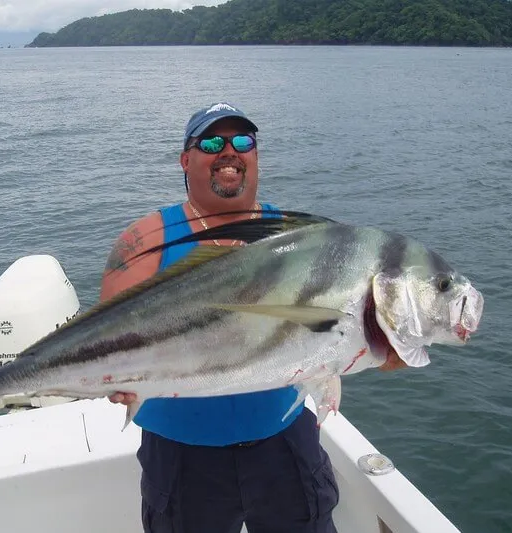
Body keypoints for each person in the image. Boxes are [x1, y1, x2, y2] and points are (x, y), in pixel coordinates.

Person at [99, 103, 339, 533]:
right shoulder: (143, 244)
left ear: (256, 156)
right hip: (180, 459)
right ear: (186, 160)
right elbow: (106, 341)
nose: (229, 151)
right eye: (211, 142)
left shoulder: (297, 239)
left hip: (284, 444)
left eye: (242, 141)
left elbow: (331, 328)